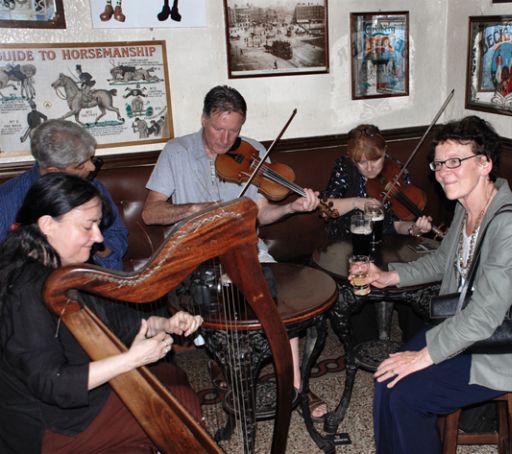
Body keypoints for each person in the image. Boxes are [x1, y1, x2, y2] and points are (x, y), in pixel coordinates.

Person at [141, 85, 328, 420]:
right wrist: (197, 208)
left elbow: (262, 213)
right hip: (196, 253)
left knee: (280, 301)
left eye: (234, 130)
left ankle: (294, 385)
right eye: (218, 129)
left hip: (246, 248)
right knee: (220, 301)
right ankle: (229, 370)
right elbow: (150, 213)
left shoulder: (252, 151)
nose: (226, 139)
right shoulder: (176, 151)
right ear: (203, 119)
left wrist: (291, 208)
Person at [361, 116, 512, 453]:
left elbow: (487, 315)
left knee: (405, 393)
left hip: (497, 349)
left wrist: (424, 356)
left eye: (456, 162)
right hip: (463, 327)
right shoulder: (466, 205)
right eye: (439, 163)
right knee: (386, 377)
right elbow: (442, 261)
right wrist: (389, 276)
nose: (444, 172)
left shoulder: (507, 225)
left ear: (485, 164)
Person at [0, 173, 204, 453]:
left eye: (98, 224)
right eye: (88, 226)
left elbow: (114, 321)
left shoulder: (65, 266)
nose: (98, 237)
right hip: (50, 426)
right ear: (47, 224)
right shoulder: (24, 290)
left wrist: (164, 324)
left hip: (77, 403)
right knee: (177, 410)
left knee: (171, 380)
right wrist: (132, 359)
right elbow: (52, 383)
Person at [321, 123, 433, 344]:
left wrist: (414, 229)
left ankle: (416, 344)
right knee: (361, 312)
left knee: (413, 281)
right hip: (349, 244)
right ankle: (367, 344)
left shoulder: (396, 170)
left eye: (375, 159)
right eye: (361, 162)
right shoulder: (344, 167)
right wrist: (357, 202)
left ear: (385, 151)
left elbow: (398, 224)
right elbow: (326, 207)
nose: (370, 168)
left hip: (387, 245)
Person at [0, 119, 128, 270]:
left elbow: (117, 234)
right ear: (54, 171)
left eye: (91, 158)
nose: (92, 167)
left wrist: (98, 247)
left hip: (95, 279)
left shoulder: (92, 186)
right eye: (81, 164)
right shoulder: (7, 200)